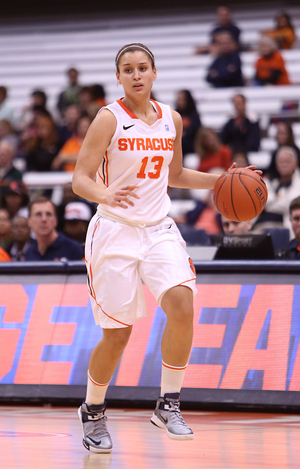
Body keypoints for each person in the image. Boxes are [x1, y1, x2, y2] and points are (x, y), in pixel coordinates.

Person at [72, 42, 260, 453]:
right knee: (117, 336)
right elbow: (79, 179)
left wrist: (224, 178)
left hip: (158, 229)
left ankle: (168, 403)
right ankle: (94, 409)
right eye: (127, 69)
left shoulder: (171, 119)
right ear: (118, 77)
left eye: (143, 68)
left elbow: (173, 174)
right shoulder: (108, 119)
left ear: (155, 73)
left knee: (182, 304)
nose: (136, 75)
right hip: (114, 231)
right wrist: (103, 193)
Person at [254, 146, 300, 237]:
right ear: (276, 164)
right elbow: (258, 199)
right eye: (281, 161)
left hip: (283, 229)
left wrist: (266, 205)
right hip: (259, 227)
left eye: (287, 161)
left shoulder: (298, 182)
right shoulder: (270, 181)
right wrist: (277, 199)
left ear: (295, 163)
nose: (284, 164)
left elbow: (291, 204)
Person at [25, 196, 84, 261]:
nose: (44, 219)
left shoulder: (72, 248)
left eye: (48, 214)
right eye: (38, 214)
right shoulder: (29, 251)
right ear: (29, 221)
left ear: (56, 220)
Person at [174, 90, 201, 157]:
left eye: (182, 99)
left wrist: (185, 133)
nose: (179, 102)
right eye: (179, 99)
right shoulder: (175, 114)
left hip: (191, 142)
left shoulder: (194, 114)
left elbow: (196, 129)